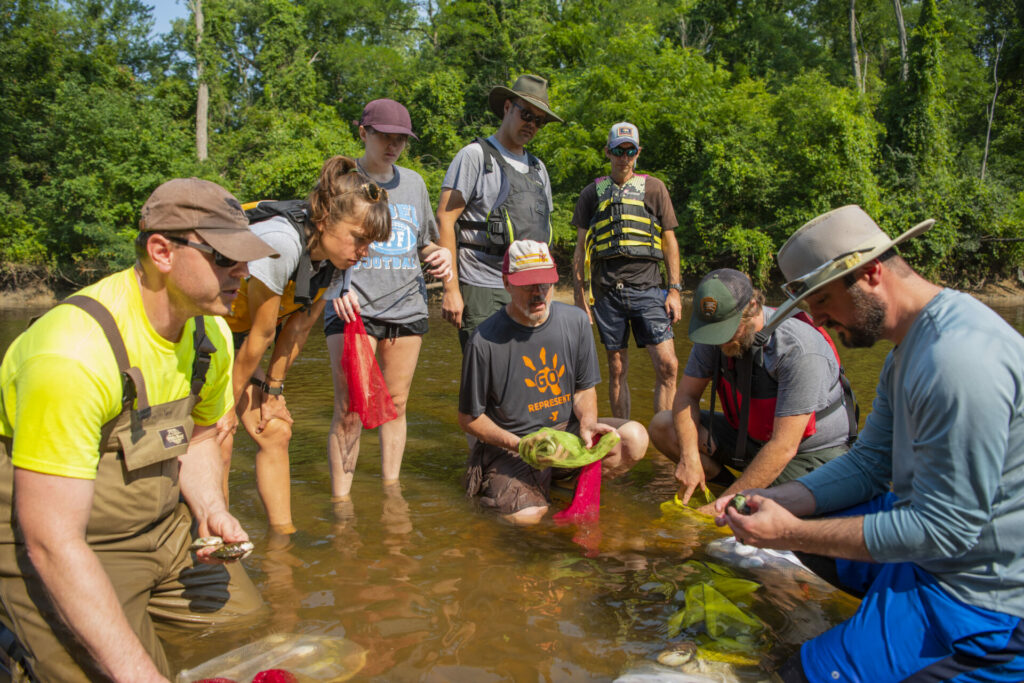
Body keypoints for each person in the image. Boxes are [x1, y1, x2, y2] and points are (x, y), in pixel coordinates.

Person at [715, 205, 1024, 681]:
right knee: (799, 515)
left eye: (822, 301)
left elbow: (945, 532)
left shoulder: (956, 361)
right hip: (934, 557)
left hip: (983, 601)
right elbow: (870, 464)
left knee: (795, 674)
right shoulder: (909, 349)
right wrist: (772, 499)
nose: (816, 318)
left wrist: (787, 532)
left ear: (870, 273)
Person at [0, 178, 271, 682]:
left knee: (246, 626)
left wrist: (211, 509)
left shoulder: (210, 331)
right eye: (224, 258)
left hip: (163, 526)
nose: (244, 273)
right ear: (162, 251)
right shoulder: (72, 355)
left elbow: (201, 435)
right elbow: (51, 542)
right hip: (63, 539)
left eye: (247, 258)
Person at [221, 155, 391, 535]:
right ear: (323, 218)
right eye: (359, 238)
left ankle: (283, 538)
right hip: (206, 332)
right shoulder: (281, 242)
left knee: (276, 428)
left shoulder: (335, 263)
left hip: (238, 342)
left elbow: (297, 330)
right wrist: (226, 408)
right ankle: (216, 536)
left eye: (371, 243)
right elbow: (261, 337)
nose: (364, 251)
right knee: (219, 434)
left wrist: (274, 392)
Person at [458, 240, 649, 525]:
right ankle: (525, 495)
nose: (538, 293)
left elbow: (584, 390)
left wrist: (587, 424)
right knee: (527, 518)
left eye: (544, 283)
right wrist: (521, 444)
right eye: (527, 284)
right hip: (515, 442)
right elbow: (469, 419)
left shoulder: (576, 322)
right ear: (507, 283)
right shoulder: (484, 340)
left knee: (634, 438)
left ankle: (556, 489)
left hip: (564, 433)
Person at [323, 99, 452, 501]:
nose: (393, 145)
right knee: (349, 409)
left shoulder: (414, 183)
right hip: (353, 307)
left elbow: (425, 241)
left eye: (401, 139)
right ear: (363, 133)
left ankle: (390, 493)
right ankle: (341, 504)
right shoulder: (342, 180)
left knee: (396, 403)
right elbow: (319, 243)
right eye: (385, 136)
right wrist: (334, 288)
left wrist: (442, 254)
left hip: (407, 307)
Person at [648, 268, 855, 515]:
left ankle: (732, 501)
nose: (719, 341)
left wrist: (717, 510)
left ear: (753, 307)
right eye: (714, 332)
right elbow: (686, 396)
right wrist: (690, 457)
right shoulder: (714, 335)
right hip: (750, 439)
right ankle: (727, 490)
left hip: (808, 454)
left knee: (765, 512)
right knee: (663, 425)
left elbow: (783, 446)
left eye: (726, 331)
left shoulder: (797, 348)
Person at [437, 74, 563, 350]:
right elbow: (445, 220)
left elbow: (544, 230)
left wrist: (547, 293)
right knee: (485, 379)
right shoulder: (474, 156)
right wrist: (451, 289)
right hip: (482, 285)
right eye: (526, 114)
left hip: (530, 288)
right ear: (507, 107)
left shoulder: (538, 168)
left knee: (526, 379)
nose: (532, 124)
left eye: (539, 121)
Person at [571, 122, 682, 419]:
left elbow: (670, 242)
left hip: (648, 289)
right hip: (608, 293)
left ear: (638, 152)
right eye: (618, 150)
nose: (624, 156)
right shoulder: (591, 194)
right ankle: (623, 436)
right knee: (617, 368)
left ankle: (663, 437)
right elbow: (580, 249)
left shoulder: (655, 188)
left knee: (668, 365)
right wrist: (579, 296)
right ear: (607, 152)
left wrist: (674, 290)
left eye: (630, 150)